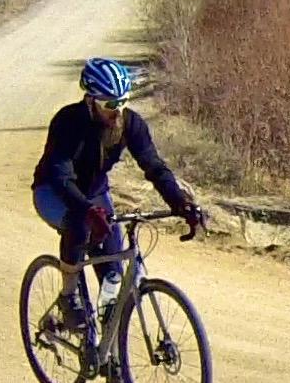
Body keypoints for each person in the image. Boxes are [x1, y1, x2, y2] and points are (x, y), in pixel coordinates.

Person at [32, 58, 207, 357]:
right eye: (109, 104)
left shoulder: (131, 124)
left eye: (123, 102)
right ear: (91, 99)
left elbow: (154, 166)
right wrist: (87, 211)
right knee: (79, 224)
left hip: (95, 194)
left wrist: (180, 202)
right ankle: (68, 297)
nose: (117, 111)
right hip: (53, 191)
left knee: (113, 272)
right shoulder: (68, 122)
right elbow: (62, 177)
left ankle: (109, 357)